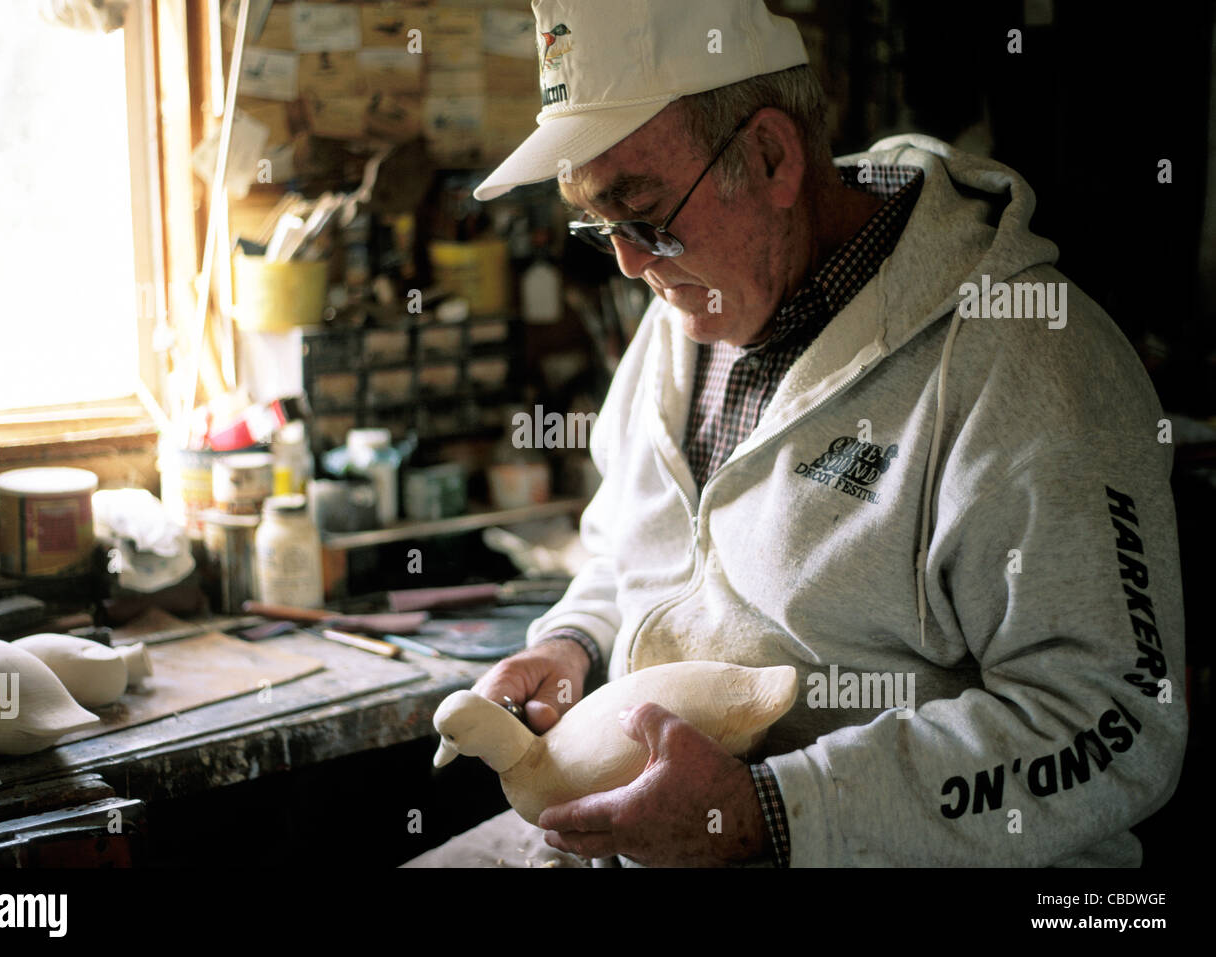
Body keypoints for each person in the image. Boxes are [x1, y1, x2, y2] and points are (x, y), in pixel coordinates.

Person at [404, 0, 1185, 867]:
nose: (628, 264)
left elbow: (1115, 725)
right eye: (600, 227)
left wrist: (770, 812)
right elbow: (631, 558)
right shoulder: (689, 301)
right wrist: (571, 643)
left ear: (772, 156)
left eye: (645, 214)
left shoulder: (1024, 359)